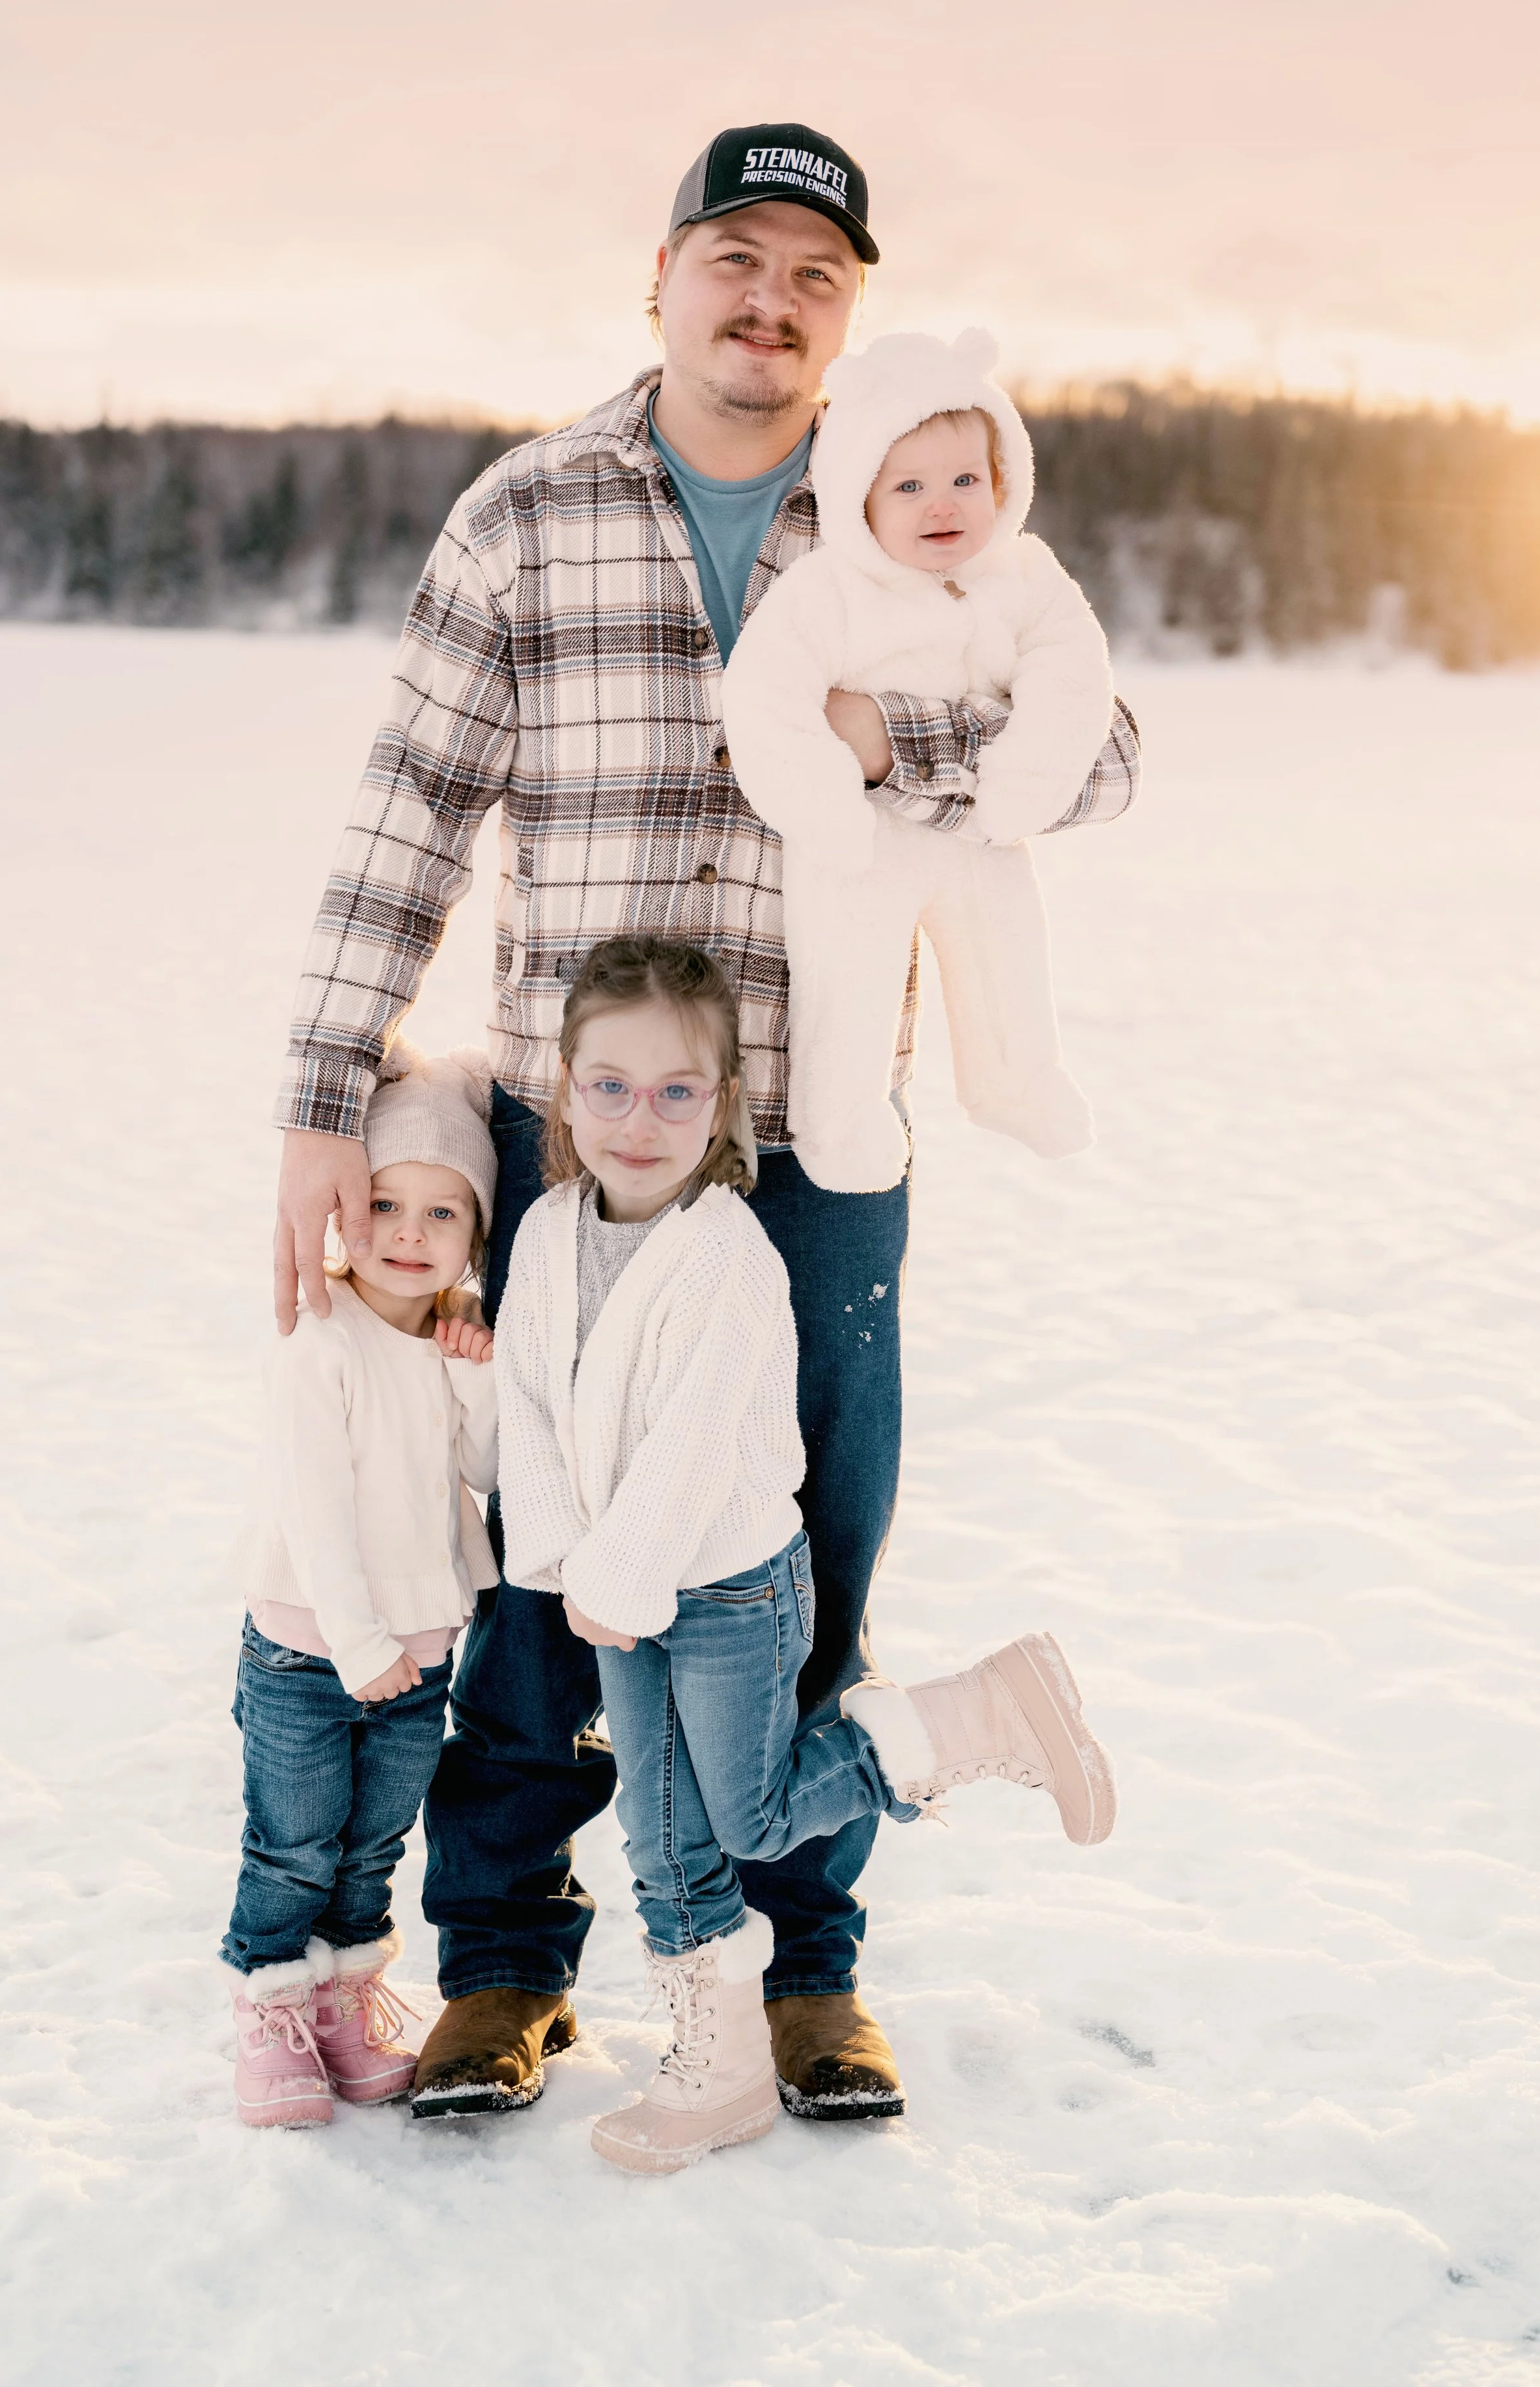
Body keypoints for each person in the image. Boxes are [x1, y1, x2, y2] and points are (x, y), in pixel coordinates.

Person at [272, 119, 1140, 2125]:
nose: (767, 304)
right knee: (528, 1560)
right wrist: (327, 1100)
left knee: (800, 1556)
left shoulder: (916, 520)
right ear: (658, 276)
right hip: (549, 1134)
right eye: (732, 260)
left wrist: (890, 734)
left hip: (808, 1142)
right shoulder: (526, 511)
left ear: (852, 318)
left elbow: (1093, 754)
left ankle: (802, 1963)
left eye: (813, 277)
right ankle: (501, 1961)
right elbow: (404, 811)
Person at [480, 934, 1114, 2173]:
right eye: (608, 1084)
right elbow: (530, 1407)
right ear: (565, 1087)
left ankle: (972, 1713)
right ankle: (715, 2071)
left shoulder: (728, 1253)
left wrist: (613, 1581)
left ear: (720, 1103)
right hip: (619, 1589)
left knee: (754, 1817)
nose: (639, 1118)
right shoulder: (551, 1232)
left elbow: (695, 1444)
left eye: (676, 1090)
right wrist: (561, 1564)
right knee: (665, 1837)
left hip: (723, 1588)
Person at [721, 327, 1113, 1191]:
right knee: (849, 985)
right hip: (858, 844)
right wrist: (820, 803)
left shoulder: (1024, 576)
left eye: (966, 480)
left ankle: (1018, 1082)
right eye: (910, 486)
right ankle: (843, 1126)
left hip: (983, 834)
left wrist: (1023, 782)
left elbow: (1076, 676)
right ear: (859, 495)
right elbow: (764, 697)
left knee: (1009, 958)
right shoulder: (827, 592)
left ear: (1003, 479)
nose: (944, 505)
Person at [221, 1048, 498, 2126]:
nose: (409, 1234)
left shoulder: (448, 1340)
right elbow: (314, 1512)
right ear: (343, 1208)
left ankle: (338, 2003)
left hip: (422, 1651)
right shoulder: (319, 1340)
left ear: (475, 1235)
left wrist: (475, 1376)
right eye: (384, 1203)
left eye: (443, 1212)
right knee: (293, 1842)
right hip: (310, 1647)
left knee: (374, 1843)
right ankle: (269, 2010)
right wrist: (356, 1640)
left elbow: (486, 1476)